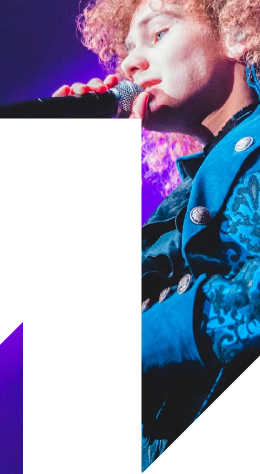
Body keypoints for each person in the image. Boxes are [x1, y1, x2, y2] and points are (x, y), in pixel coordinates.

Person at [54, 0, 260, 470]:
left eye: (159, 34)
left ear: (237, 33)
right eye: (127, 49)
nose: (129, 63)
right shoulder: (177, 203)